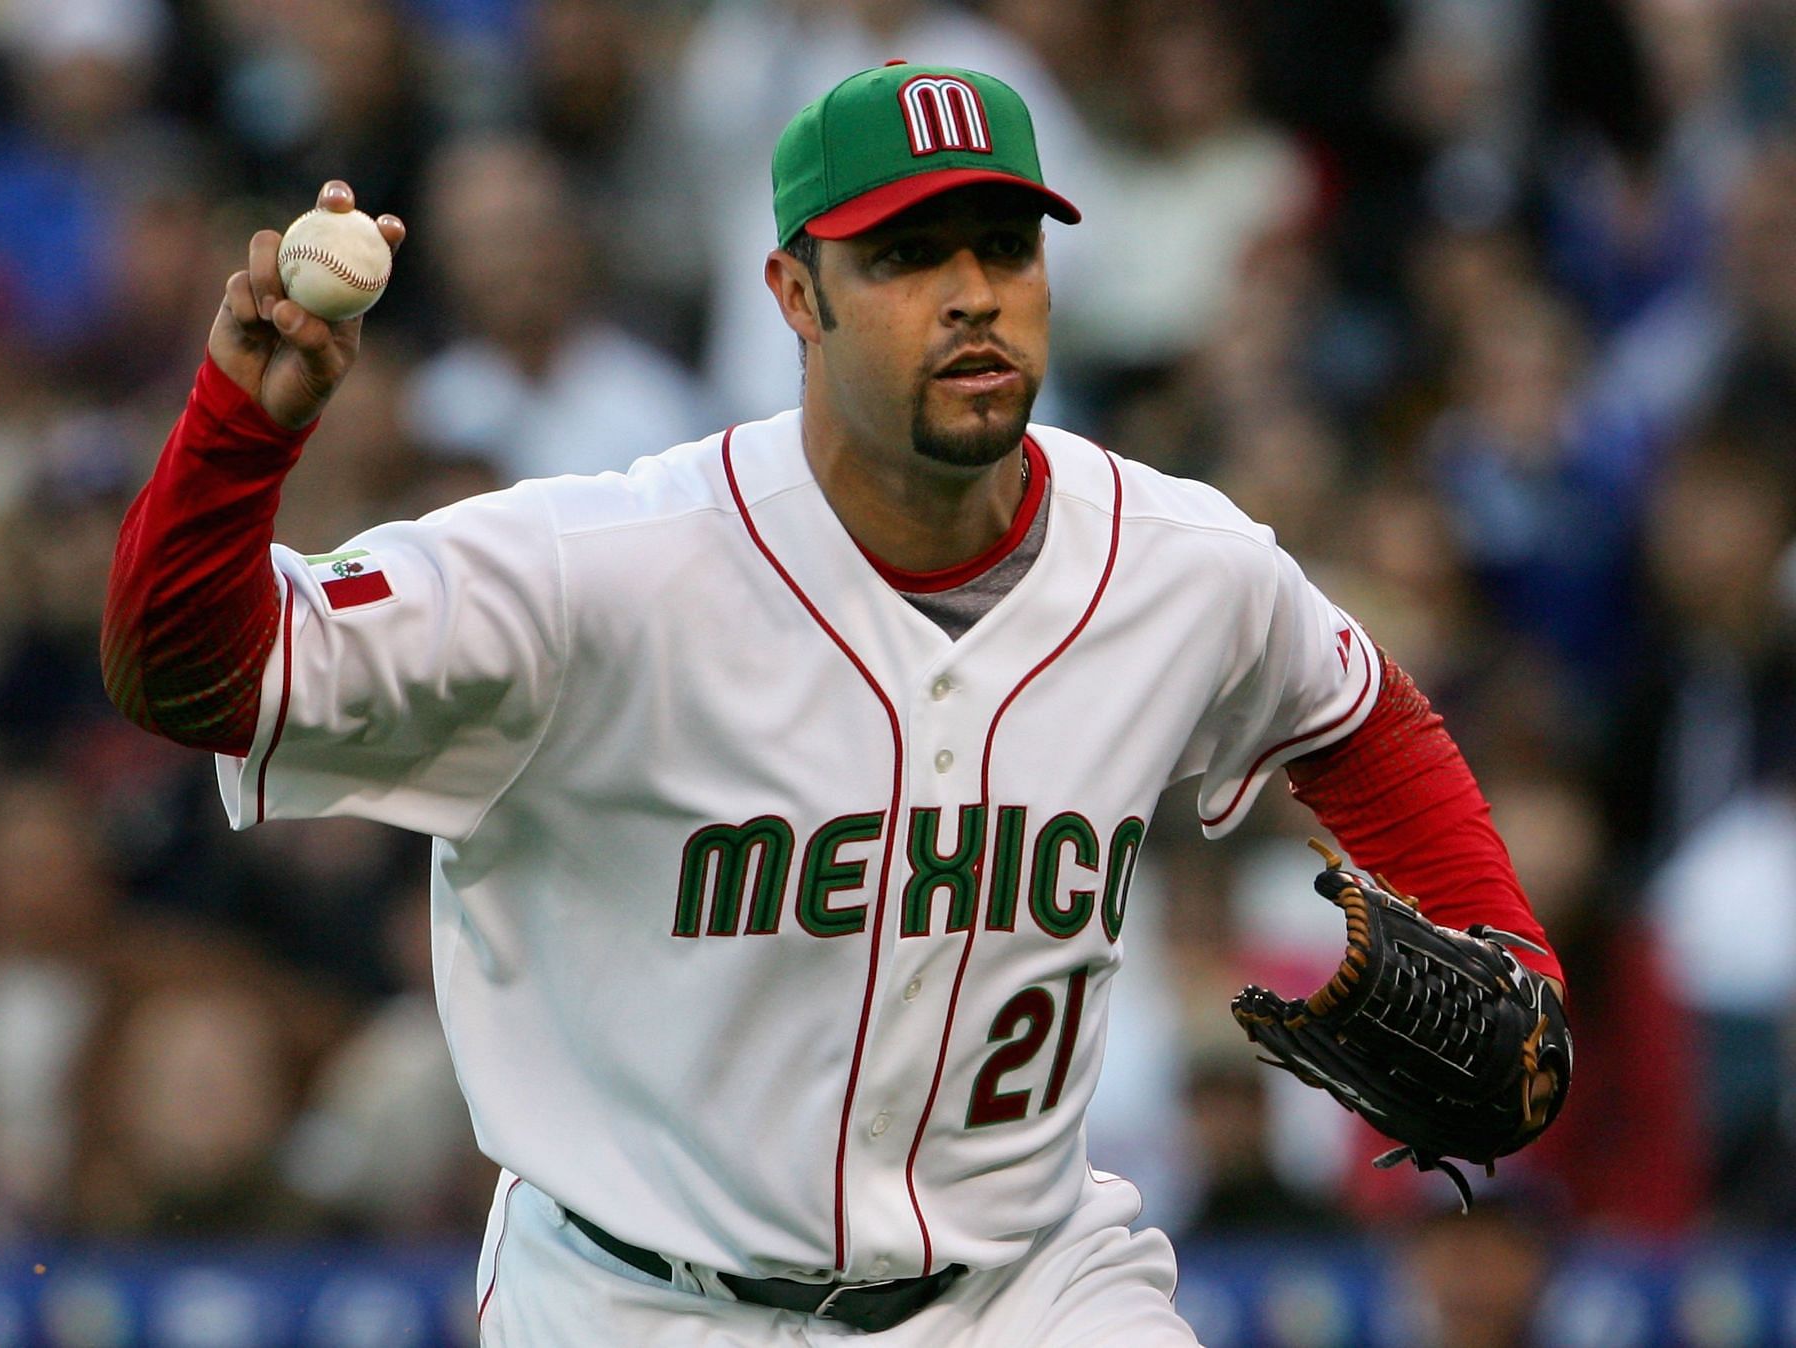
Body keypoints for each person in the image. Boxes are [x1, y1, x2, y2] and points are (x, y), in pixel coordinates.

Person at [102, 62, 1566, 1347]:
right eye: (907, 256)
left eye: (1004, 245)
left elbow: (1357, 717)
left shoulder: (1180, 566)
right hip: (638, 1300)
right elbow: (191, 674)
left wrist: (1509, 945)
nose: (972, 291)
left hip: (1024, 1289)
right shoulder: (592, 572)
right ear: (795, 294)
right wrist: (245, 427)